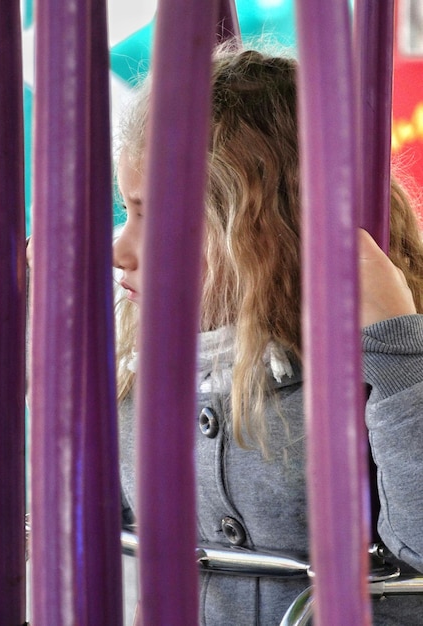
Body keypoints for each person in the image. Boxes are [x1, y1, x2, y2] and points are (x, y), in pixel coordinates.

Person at [113, 45, 423, 625]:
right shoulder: (141, 370)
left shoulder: (386, 366)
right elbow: (74, 528)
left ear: (261, 231)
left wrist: (394, 348)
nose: (119, 249)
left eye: (150, 214)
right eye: (126, 212)